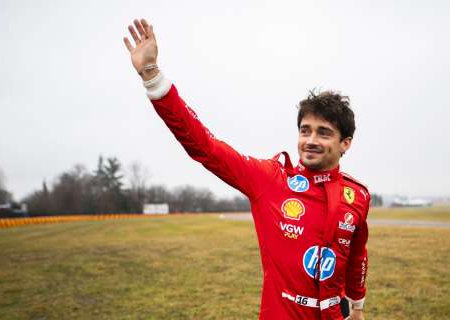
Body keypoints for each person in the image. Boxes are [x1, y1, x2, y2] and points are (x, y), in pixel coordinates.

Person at [123, 18, 369, 320]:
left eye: (323, 133)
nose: (310, 141)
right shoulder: (270, 180)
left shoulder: (357, 196)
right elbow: (205, 146)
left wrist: (357, 307)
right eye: (305, 131)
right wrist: (152, 76)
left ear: (345, 143)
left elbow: (356, 256)